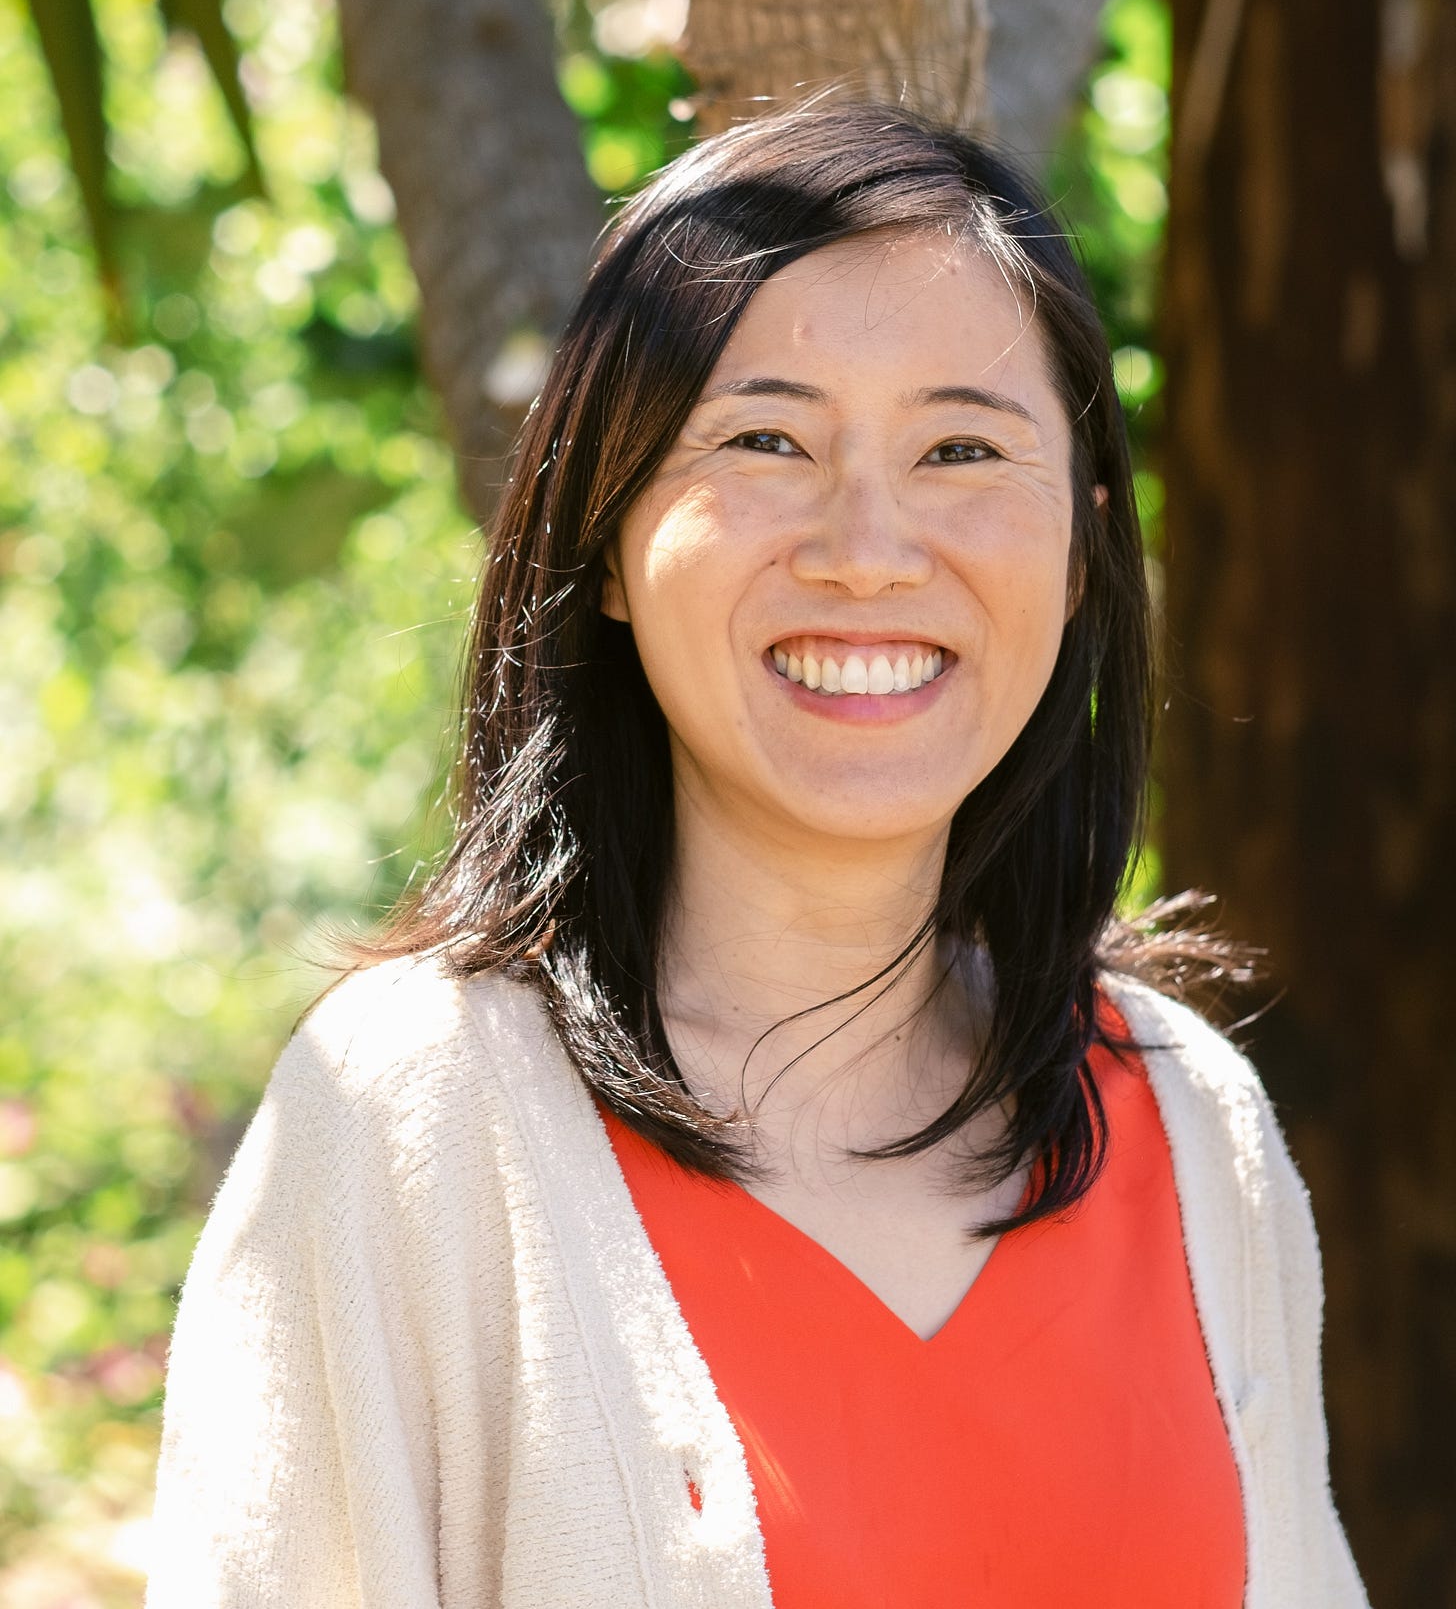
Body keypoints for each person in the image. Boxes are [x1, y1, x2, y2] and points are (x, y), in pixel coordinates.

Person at [144, 103, 1369, 1609]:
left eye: (963, 447)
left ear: (1082, 541)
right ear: (603, 539)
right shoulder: (418, 1123)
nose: (869, 547)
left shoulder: (1188, 1124)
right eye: (767, 439)